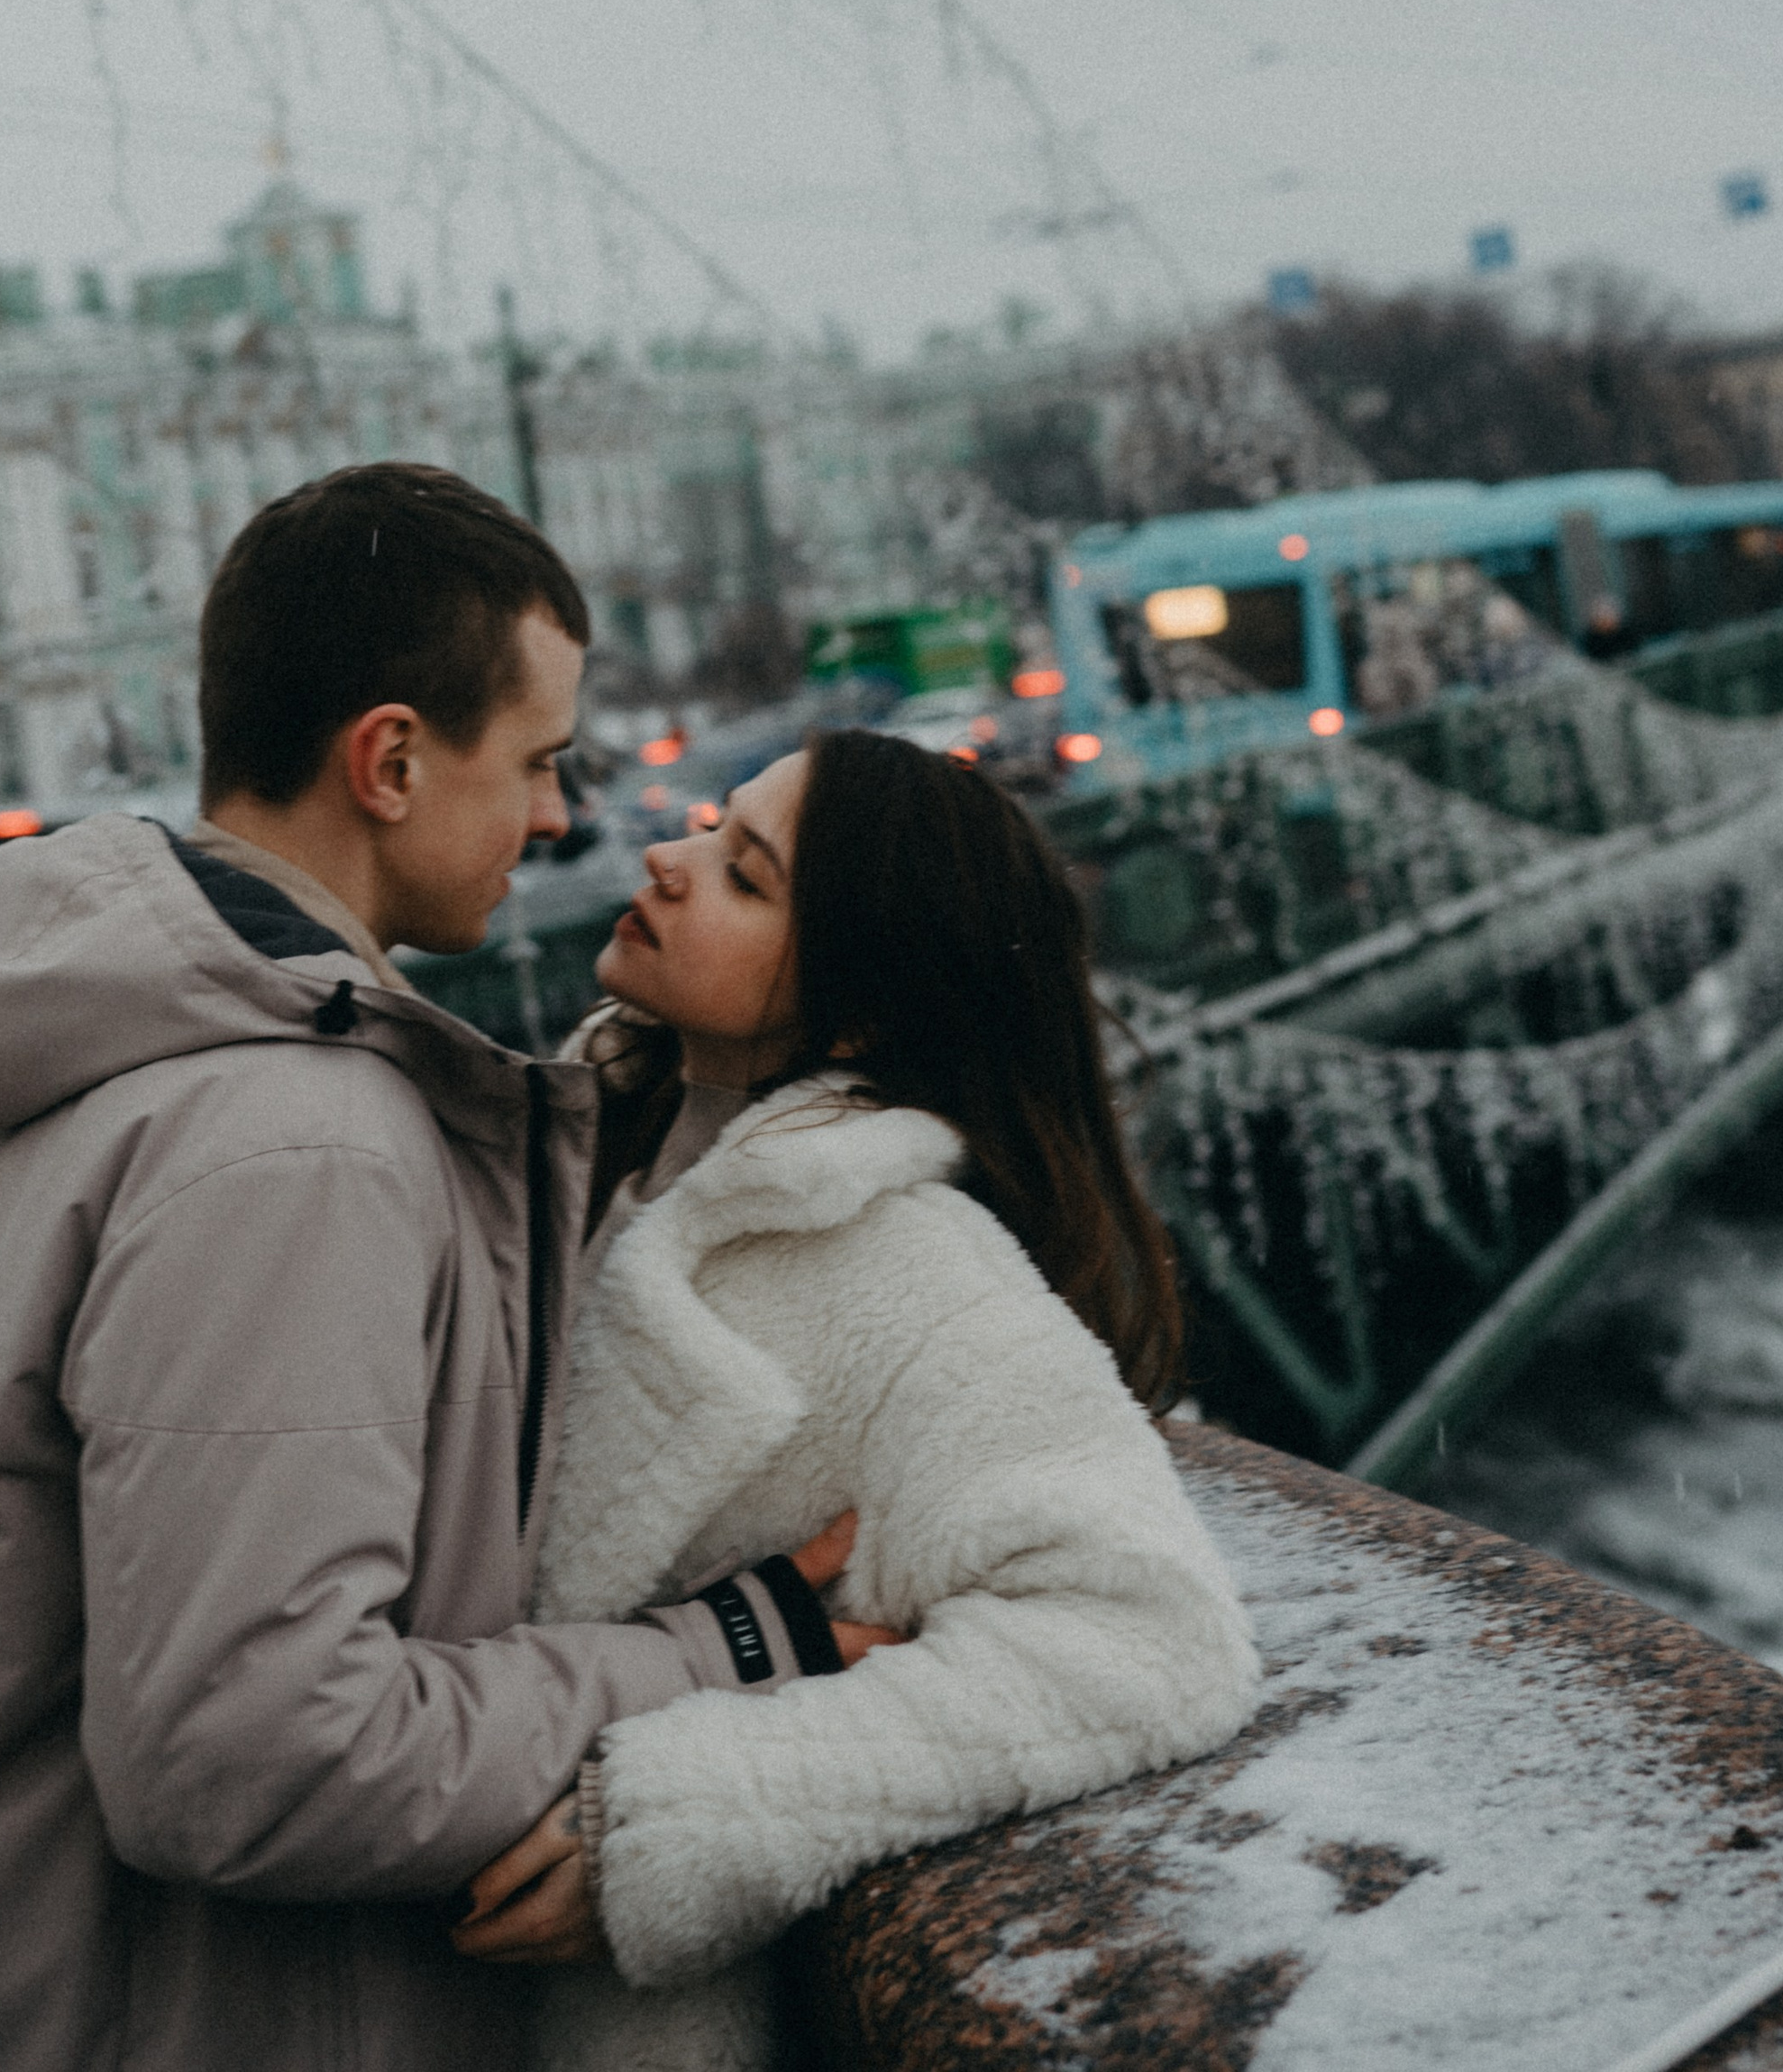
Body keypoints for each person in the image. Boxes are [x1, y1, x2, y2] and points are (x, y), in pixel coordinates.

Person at [0, 461, 880, 2072]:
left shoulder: (32, 1044)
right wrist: (721, 1653)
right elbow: (250, 1758)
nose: (566, 819)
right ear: (389, 760)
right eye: (538, 762)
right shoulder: (299, 1142)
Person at [447, 726, 1263, 2068]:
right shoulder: (601, 1133)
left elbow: (1156, 1640)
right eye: (711, 828)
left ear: (856, 1013)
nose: (667, 856)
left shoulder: (904, 1267)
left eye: (743, 874)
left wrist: (698, 1814)